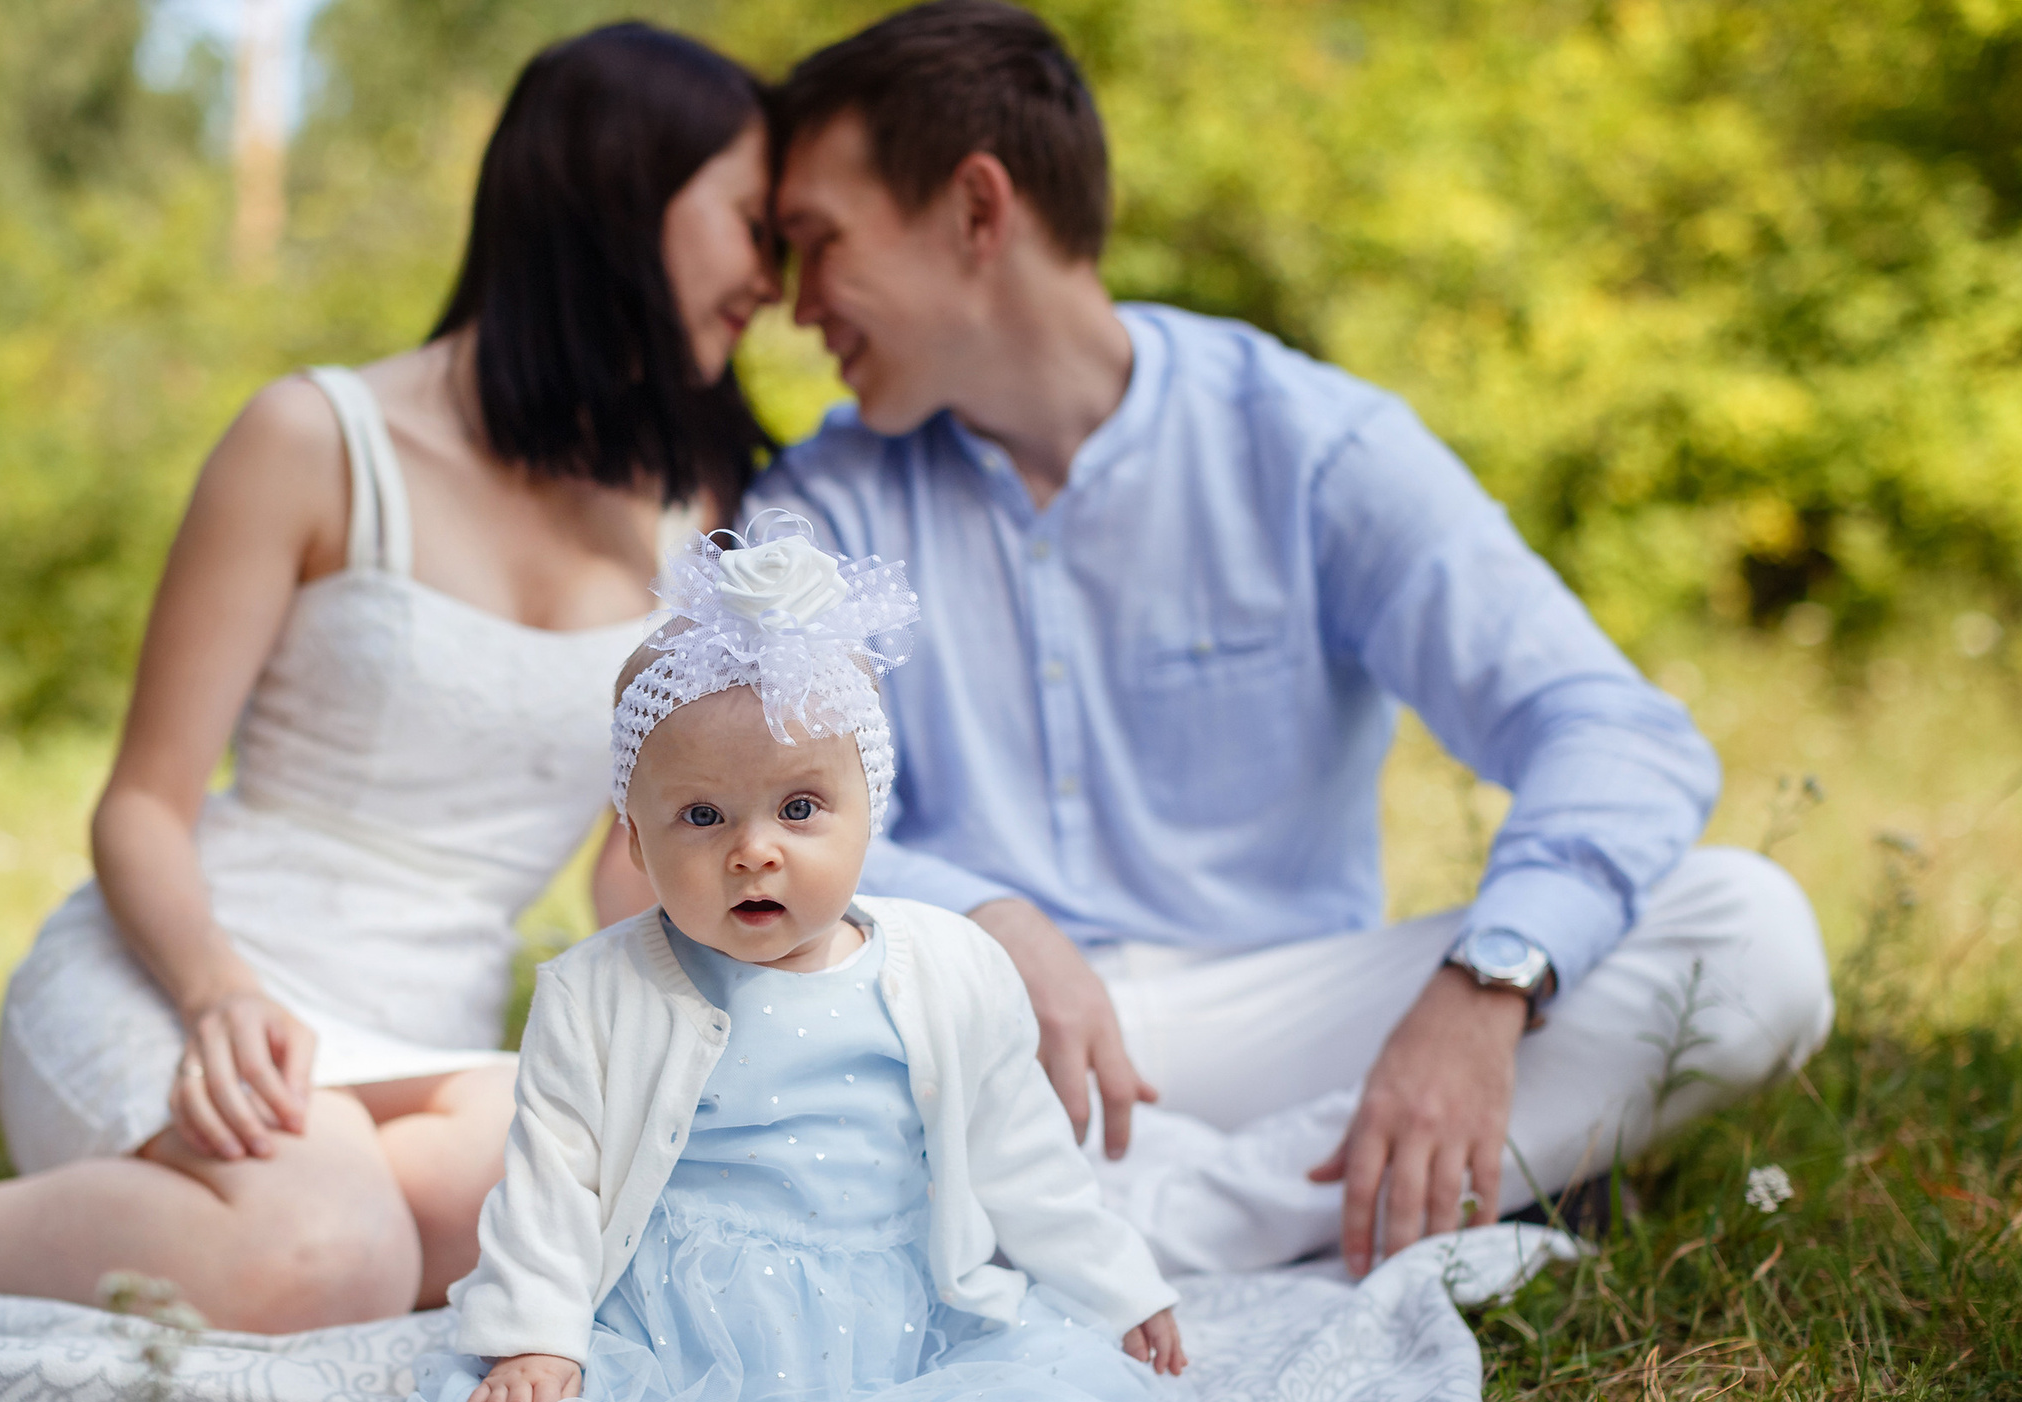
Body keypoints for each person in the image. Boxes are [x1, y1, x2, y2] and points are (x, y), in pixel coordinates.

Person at [0, 23, 782, 1331]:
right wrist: (219, 995)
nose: (771, 278)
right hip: (193, 978)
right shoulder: (317, 438)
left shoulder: (694, 510)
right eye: (753, 226)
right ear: (617, 194)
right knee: (326, 1257)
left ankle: (189, 1218)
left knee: (626, 1206)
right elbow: (141, 803)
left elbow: (625, 861)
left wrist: (733, 988)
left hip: (431, 1052)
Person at [749, 0, 1835, 1278]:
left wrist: (1485, 991)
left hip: (1285, 1020)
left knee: (1753, 936)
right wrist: (987, 918)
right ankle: (1344, 1216)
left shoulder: (1312, 445)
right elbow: (740, 819)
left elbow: (1612, 733)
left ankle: (1130, 1230)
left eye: (819, 244)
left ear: (978, 210)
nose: (798, 305)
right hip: (986, 1030)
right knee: (773, 1039)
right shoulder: (818, 509)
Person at [395, 517, 1195, 1402]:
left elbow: (1021, 1152)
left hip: (900, 1301)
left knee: (1021, 1360)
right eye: (700, 815)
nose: (752, 847)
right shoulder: (598, 990)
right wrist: (538, 1336)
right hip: (683, 1318)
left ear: (872, 810)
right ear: (632, 838)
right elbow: (552, 1179)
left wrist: (1114, 1285)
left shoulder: (950, 964)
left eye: (801, 807)